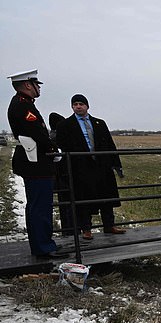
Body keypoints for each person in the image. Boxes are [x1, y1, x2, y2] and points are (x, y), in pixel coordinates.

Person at [6, 69, 67, 259]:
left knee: (38, 205)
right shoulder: (22, 106)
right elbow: (37, 133)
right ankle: (43, 247)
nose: (38, 87)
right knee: (40, 206)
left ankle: (43, 244)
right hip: (36, 162)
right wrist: (51, 149)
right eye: (36, 84)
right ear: (27, 85)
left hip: (35, 161)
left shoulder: (25, 104)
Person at [55, 94, 126, 240]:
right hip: (81, 168)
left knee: (106, 196)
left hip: (102, 166)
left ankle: (109, 225)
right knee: (83, 199)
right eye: (75, 104)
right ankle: (86, 229)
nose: (78, 106)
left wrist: (116, 164)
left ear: (87, 106)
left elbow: (110, 144)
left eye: (81, 103)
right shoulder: (65, 125)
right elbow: (62, 145)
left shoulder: (100, 123)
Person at [49, 112, 73, 235]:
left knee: (65, 204)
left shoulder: (51, 135)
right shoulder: (57, 137)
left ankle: (68, 230)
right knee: (68, 204)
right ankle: (70, 231)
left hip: (58, 175)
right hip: (62, 175)